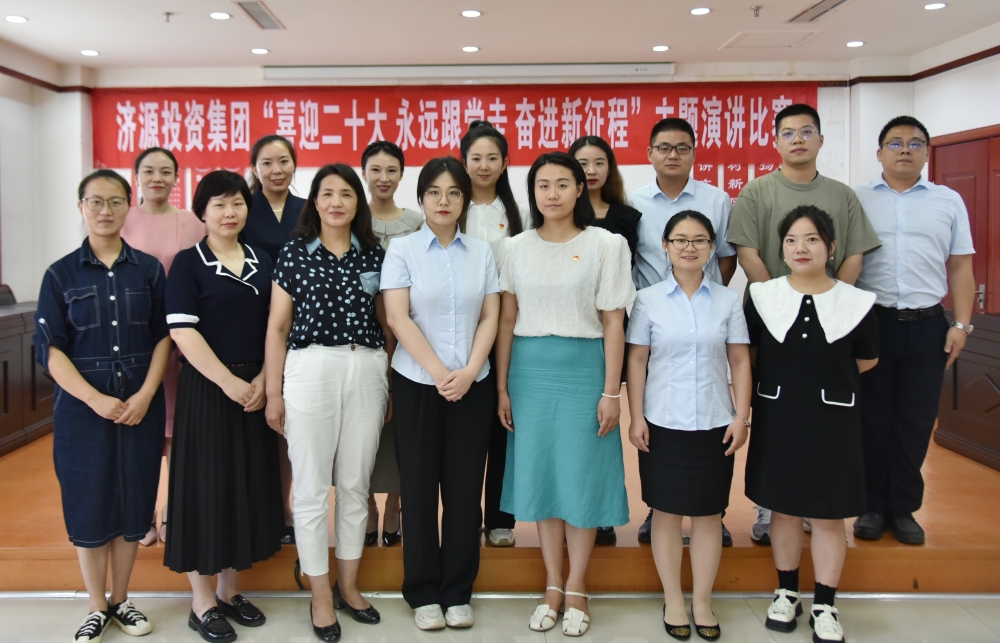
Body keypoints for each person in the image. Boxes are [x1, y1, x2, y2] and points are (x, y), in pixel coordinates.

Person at [726, 103, 881, 545]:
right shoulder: (756, 191)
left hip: (831, 316)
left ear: (820, 139)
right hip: (775, 317)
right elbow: (748, 252)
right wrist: (780, 297)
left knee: (826, 425)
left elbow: (854, 253)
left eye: (806, 131)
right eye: (788, 133)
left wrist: (833, 297)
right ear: (775, 141)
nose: (797, 139)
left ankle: (820, 507)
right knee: (777, 420)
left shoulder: (842, 195)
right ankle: (769, 507)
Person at [496, 152, 635, 636]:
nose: (552, 193)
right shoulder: (513, 248)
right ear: (532, 192)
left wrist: (611, 392)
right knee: (544, 477)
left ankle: (577, 585)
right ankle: (552, 583)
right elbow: (507, 321)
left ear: (581, 188)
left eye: (562, 184)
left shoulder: (606, 244)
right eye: (542, 185)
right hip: (529, 375)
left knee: (580, 477)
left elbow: (613, 321)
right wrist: (502, 387)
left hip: (584, 371)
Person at [34, 169, 172, 643]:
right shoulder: (60, 274)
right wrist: (93, 398)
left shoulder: (149, 270)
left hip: (139, 405)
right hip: (81, 410)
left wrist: (146, 394)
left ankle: (121, 599)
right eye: (95, 201)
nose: (105, 210)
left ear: (128, 206)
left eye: (115, 201)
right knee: (88, 500)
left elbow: (163, 336)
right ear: (81, 207)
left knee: (134, 499)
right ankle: (96, 605)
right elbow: (51, 349)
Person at [264, 163, 390, 642]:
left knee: (356, 485)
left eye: (346, 194)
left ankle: (349, 587)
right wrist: (273, 392)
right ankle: (319, 594)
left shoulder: (373, 253)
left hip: (367, 368)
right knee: (312, 488)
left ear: (358, 203)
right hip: (310, 369)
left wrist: (388, 383)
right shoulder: (294, 252)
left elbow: (386, 321)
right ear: (314, 202)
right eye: (327, 193)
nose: (336, 202)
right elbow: (278, 326)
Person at [745, 206, 879, 643]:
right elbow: (749, 354)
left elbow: (867, 358)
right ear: (781, 249)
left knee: (827, 514)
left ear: (831, 247)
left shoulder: (855, 303)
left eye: (812, 239)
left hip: (833, 420)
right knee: (782, 508)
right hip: (778, 415)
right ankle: (787, 592)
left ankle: (825, 602)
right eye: (791, 240)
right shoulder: (762, 296)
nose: (800, 248)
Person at [164, 171, 284, 642]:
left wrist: (263, 379)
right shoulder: (187, 263)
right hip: (208, 390)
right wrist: (229, 383)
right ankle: (201, 602)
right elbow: (182, 331)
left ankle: (230, 591)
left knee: (245, 487)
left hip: (255, 388)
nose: (229, 212)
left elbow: (279, 325)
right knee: (205, 489)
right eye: (219, 204)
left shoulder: (262, 259)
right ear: (202, 211)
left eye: (237, 203)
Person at [381, 157, 500, 630]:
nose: (444, 201)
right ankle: (423, 591)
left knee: (465, 490)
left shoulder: (482, 252)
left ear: (465, 200)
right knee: (418, 488)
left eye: (453, 193)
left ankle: (457, 591)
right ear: (422, 198)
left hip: (473, 385)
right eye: (434, 192)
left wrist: (469, 371)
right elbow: (397, 317)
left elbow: (490, 316)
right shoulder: (404, 249)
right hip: (417, 384)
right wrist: (439, 373)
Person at [627, 211, 752, 641]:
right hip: (663, 421)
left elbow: (740, 359)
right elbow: (637, 360)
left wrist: (741, 415)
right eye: (680, 240)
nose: (689, 247)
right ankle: (673, 598)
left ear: (712, 248)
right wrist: (637, 416)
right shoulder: (648, 300)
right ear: (665, 245)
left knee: (708, 515)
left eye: (699, 240)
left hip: (715, 421)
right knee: (665, 513)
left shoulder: (728, 300)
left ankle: (702, 600)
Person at [853, 116, 976, 545]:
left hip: (928, 325)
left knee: (916, 418)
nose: (905, 149)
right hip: (873, 322)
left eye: (915, 143)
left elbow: (961, 266)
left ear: (926, 152)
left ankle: (902, 507)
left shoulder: (948, 200)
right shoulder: (858, 198)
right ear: (879, 152)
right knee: (871, 418)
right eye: (895, 143)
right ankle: (870, 505)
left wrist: (961, 324)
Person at [628, 117, 738, 546]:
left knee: (707, 406)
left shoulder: (716, 199)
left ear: (693, 152)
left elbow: (725, 255)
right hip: (652, 317)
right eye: (664, 147)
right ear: (650, 153)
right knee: (661, 413)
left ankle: (712, 512)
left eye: (682, 147)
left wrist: (704, 301)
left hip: (702, 311)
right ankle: (660, 509)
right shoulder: (634, 201)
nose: (672, 155)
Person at [121, 146, 206, 546]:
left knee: (177, 432)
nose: (157, 178)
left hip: (182, 340)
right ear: (136, 176)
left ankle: (173, 510)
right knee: (139, 430)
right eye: (149, 171)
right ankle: (141, 512)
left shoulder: (192, 222)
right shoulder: (121, 218)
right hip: (135, 338)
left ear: (175, 177)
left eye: (165, 171)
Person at [460, 120, 530, 548]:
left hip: (509, 333)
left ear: (505, 163)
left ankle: (501, 519)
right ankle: (465, 516)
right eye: (476, 158)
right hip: (461, 334)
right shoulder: (454, 208)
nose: (483, 165)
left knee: (504, 426)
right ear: (463, 161)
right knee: (466, 434)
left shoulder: (519, 214)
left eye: (492, 158)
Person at [570, 134, 642, 546]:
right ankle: (571, 509)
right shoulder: (560, 215)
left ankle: (598, 514)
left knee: (601, 423)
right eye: (582, 163)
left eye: (599, 162)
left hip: (609, 326)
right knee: (573, 429)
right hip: (570, 329)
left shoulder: (626, 219)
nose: (591, 170)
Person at [240, 134, 304, 544]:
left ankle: (284, 507)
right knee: (254, 427)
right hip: (251, 321)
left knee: (287, 427)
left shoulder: (309, 209)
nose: (276, 170)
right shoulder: (242, 208)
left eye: (283, 161)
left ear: (295, 164)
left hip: (301, 326)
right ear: (255, 168)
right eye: (267, 163)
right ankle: (253, 512)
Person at [360, 139, 423, 548]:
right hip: (360, 339)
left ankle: (395, 505)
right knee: (362, 427)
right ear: (364, 173)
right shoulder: (351, 219)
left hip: (410, 336)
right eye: (375, 170)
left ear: (402, 174)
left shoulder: (417, 222)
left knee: (404, 426)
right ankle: (365, 505)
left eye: (392, 170)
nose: (383, 178)